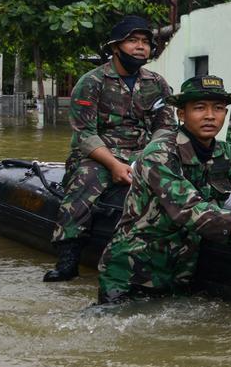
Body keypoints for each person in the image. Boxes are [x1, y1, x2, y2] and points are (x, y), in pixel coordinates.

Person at [97, 74, 231, 304]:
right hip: (132, 271)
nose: (210, 116)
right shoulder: (160, 154)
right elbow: (189, 209)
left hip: (179, 272)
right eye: (199, 108)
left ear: (225, 114)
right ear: (181, 114)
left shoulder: (224, 152)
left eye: (218, 108)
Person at [44, 15, 176, 282]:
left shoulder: (157, 83)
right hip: (99, 154)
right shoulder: (92, 81)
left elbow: (166, 127)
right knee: (86, 183)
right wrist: (114, 165)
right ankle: (68, 256)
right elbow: (85, 134)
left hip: (143, 152)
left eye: (145, 42)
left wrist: (151, 157)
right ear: (116, 47)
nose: (140, 47)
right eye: (132, 41)